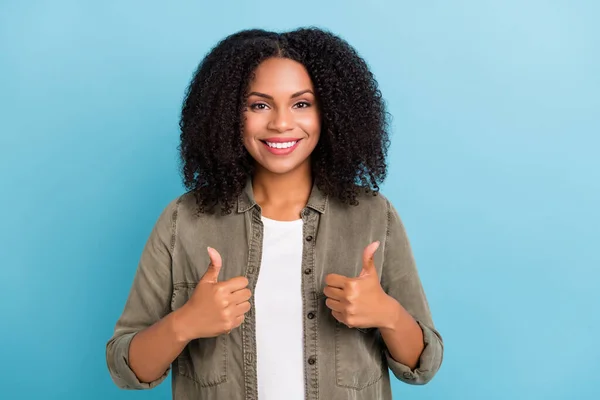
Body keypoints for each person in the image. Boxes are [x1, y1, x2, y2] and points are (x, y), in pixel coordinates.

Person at [106, 27, 443, 400]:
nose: (281, 123)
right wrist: (185, 323)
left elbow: (423, 366)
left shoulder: (374, 217)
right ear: (229, 114)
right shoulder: (183, 220)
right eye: (259, 105)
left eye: (302, 103)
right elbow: (126, 368)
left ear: (330, 111)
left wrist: (388, 314)